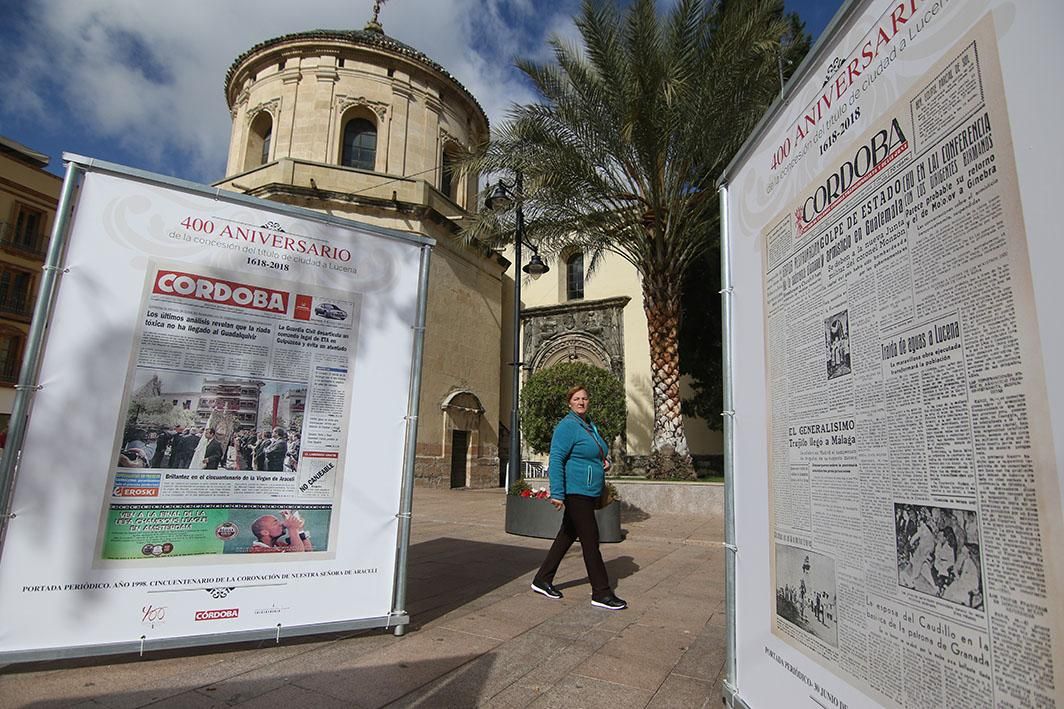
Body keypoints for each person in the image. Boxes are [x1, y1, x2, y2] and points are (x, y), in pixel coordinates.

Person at [531, 385, 626, 610]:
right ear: (569, 402)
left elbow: (600, 451)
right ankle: (601, 592)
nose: (581, 402)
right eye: (576, 399)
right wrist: (557, 493)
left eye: (584, 398)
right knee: (590, 539)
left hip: (589, 490)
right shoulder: (567, 426)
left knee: (567, 534)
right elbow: (556, 459)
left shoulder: (588, 425)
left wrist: (606, 463)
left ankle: (542, 579)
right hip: (576, 492)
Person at [248, 510, 312, 552]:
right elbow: (298, 555)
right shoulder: (257, 550)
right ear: (265, 532)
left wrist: (299, 529)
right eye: (275, 523)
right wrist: (292, 528)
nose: (281, 523)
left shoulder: (278, 544)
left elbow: (307, 552)